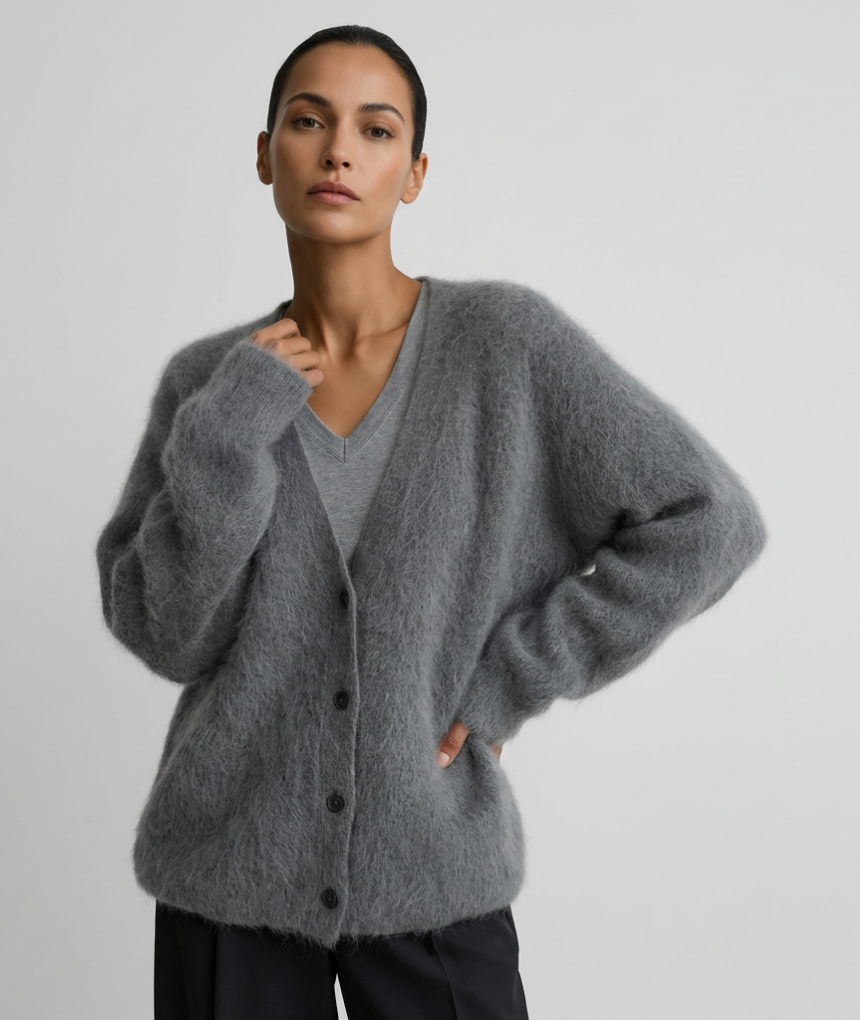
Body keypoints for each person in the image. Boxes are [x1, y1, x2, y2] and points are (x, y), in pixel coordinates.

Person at [95, 24, 767, 1020]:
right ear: (265, 155)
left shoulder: (506, 346)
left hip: (434, 866)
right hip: (227, 871)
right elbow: (168, 635)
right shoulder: (209, 384)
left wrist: (515, 675)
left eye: (375, 130)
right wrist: (229, 435)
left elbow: (708, 521)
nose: (338, 151)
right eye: (309, 122)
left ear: (412, 174)